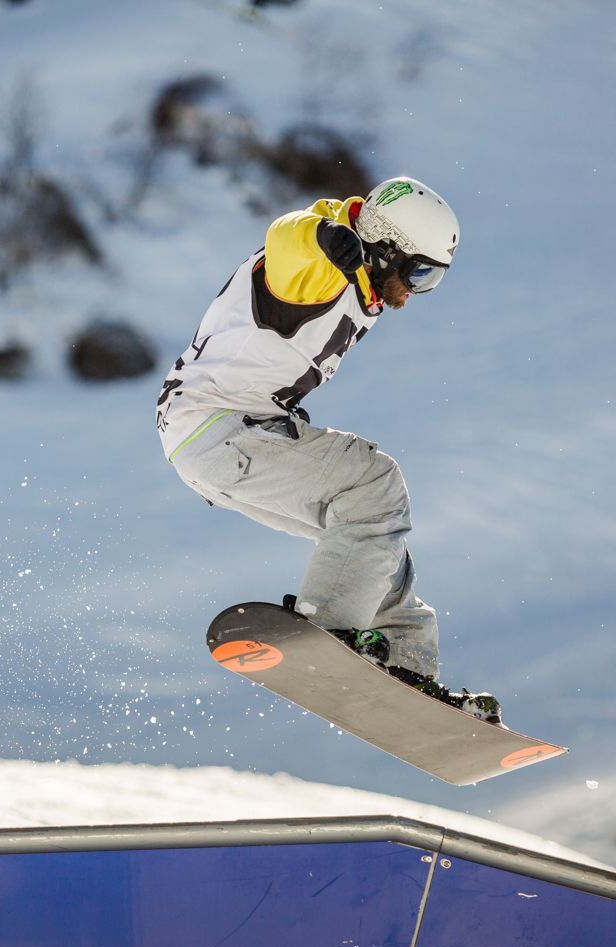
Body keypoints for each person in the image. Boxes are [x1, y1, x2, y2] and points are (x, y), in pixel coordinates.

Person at [155, 176, 502, 723]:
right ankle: (331, 631)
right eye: (419, 273)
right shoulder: (318, 267)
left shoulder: (357, 281)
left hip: (218, 443)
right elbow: (284, 237)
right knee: (375, 484)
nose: (415, 293)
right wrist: (321, 236)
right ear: (385, 248)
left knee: (375, 540)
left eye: (432, 279)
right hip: (221, 427)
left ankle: (405, 664)